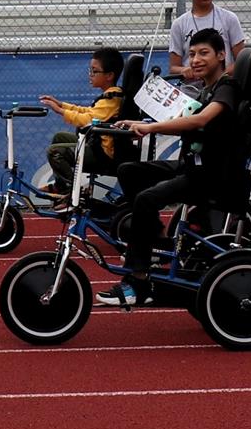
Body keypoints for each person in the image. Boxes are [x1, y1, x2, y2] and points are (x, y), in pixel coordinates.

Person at [98, 28, 242, 308]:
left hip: (211, 175)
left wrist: (150, 128)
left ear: (221, 55)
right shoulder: (204, 88)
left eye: (203, 53)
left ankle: (137, 284)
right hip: (191, 165)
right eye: (191, 54)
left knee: (145, 199)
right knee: (129, 170)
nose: (195, 59)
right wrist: (137, 123)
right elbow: (182, 119)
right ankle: (158, 240)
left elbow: (199, 121)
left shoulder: (227, 87)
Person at [40, 46, 127, 193]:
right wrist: (62, 104)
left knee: (54, 152)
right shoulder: (109, 95)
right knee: (59, 137)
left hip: (102, 155)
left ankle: (71, 193)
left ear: (109, 75)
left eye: (95, 71)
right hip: (96, 147)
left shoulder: (113, 97)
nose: (90, 74)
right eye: (90, 70)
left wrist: (60, 111)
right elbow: (89, 111)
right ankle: (61, 186)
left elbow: (87, 119)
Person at [168, 0, 247, 81]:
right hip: (191, 91)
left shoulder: (229, 18)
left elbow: (242, 61)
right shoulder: (179, 24)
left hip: (222, 89)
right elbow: (174, 67)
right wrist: (184, 70)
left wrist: (219, 76)